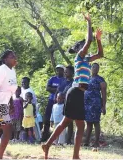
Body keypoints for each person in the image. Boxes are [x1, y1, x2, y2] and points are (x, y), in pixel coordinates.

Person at [42, 13, 103, 159]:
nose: (85, 46)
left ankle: (51, 146)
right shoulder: (79, 57)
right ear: (78, 49)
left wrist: (99, 40)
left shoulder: (87, 59)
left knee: (72, 124)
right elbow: (88, 40)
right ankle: (63, 151)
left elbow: (100, 54)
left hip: (79, 93)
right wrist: (89, 23)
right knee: (71, 123)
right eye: (81, 45)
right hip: (75, 92)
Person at [83, 63, 107, 151]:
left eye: (97, 68)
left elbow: (104, 93)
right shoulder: (87, 78)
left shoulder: (100, 79)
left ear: (98, 69)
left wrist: (104, 106)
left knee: (96, 122)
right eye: (93, 67)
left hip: (95, 103)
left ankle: (96, 141)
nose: (94, 69)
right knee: (88, 122)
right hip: (86, 103)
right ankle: (86, 141)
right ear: (90, 68)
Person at [42, 65, 65, 141]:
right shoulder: (52, 78)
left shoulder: (64, 80)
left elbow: (63, 90)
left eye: (60, 69)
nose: (59, 71)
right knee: (47, 118)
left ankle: (60, 138)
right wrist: (57, 90)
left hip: (61, 101)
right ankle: (45, 136)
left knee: (59, 119)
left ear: (63, 70)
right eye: (57, 69)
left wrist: (56, 91)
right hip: (51, 100)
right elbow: (48, 88)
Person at [55, 65, 74, 144]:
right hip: (60, 105)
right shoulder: (63, 81)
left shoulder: (73, 82)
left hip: (70, 103)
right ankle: (59, 140)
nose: (65, 73)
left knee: (69, 122)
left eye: (67, 71)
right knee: (60, 122)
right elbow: (58, 91)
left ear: (72, 73)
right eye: (65, 71)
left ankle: (68, 140)